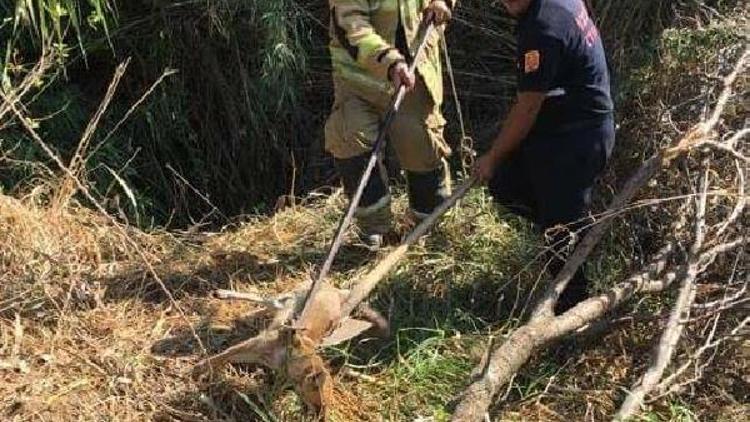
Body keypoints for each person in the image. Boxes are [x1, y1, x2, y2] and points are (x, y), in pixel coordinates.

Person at [474, 0, 615, 314]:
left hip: (578, 138)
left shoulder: (543, 28)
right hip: (562, 127)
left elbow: (527, 107)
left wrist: (492, 157)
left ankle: (573, 311)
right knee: (506, 183)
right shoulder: (547, 9)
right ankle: (575, 222)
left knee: (559, 234)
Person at [325, 0, 457, 249]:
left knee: (420, 142)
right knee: (352, 138)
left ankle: (427, 223)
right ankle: (375, 231)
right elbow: (351, 24)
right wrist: (389, 62)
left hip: (414, 70)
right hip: (358, 81)